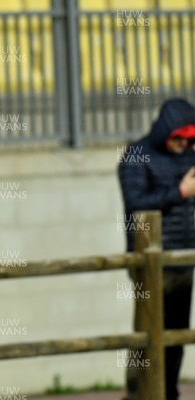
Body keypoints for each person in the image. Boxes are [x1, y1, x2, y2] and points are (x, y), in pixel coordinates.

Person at [118, 98, 195, 400]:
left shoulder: (190, 156)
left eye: (190, 139)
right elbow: (137, 205)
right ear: (166, 131)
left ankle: (168, 392)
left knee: (176, 335)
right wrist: (179, 192)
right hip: (149, 262)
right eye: (179, 137)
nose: (184, 144)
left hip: (183, 260)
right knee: (147, 334)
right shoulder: (136, 155)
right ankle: (140, 394)